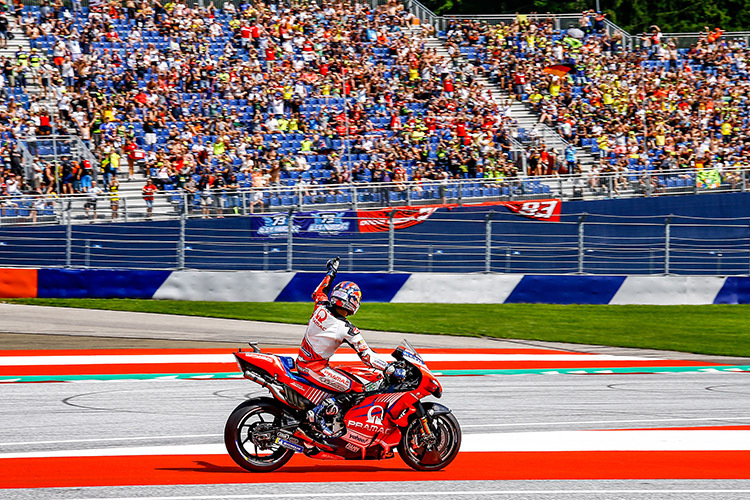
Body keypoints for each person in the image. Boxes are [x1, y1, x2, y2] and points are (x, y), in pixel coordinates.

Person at [297, 257, 405, 437]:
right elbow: (368, 356)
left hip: (302, 362)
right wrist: (389, 367)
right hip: (316, 368)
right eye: (357, 299)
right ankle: (319, 414)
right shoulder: (347, 329)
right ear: (352, 302)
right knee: (359, 387)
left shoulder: (320, 307)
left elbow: (320, 290)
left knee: (348, 373)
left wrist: (331, 272)